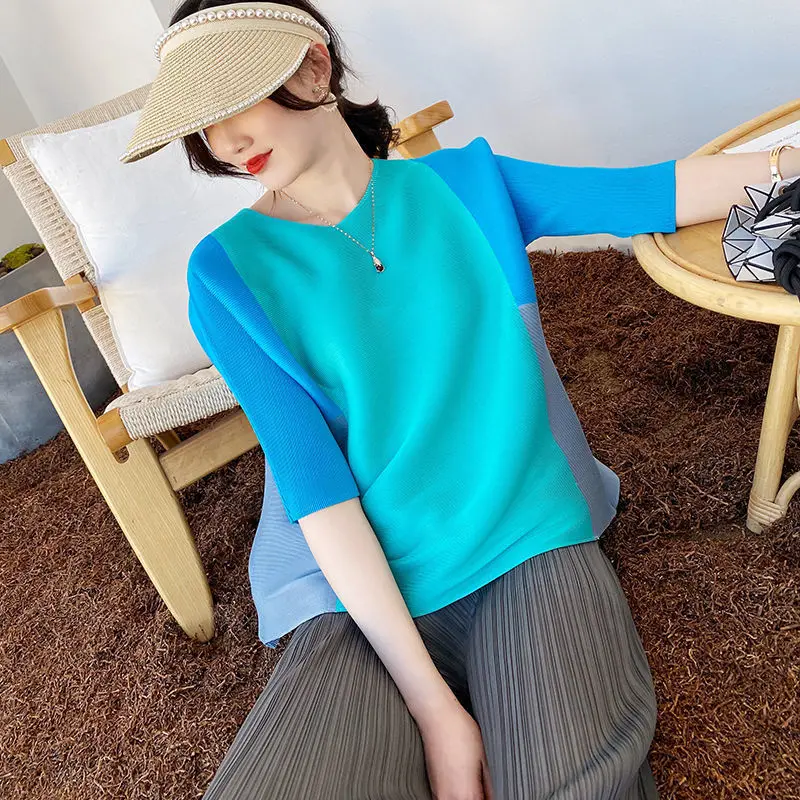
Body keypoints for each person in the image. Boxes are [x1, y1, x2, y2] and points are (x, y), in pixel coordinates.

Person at [121, 2, 800, 798]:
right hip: (352, 590)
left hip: (523, 537)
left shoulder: (470, 188)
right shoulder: (225, 274)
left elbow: (651, 192)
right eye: (202, 125)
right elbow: (317, 492)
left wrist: (787, 160)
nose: (226, 142)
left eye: (235, 101)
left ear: (313, 66)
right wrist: (435, 710)